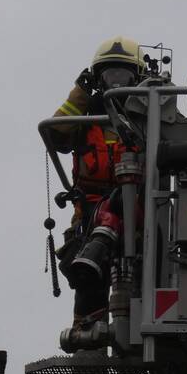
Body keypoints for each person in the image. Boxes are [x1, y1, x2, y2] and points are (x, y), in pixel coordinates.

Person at [49, 36, 145, 328]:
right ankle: (88, 337)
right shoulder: (84, 118)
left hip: (142, 210)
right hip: (90, 212)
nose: (116, 82)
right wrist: (79, 94)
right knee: (88, 277)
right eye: (109, 75)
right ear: (97, 79)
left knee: (146, 277)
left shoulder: (151, 115)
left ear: (138, 78)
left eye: (123, 75)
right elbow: (55, 135)